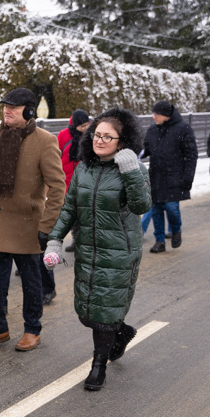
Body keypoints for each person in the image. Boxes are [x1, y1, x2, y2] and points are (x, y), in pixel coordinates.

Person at [43, 107, 152, 390]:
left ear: (122, 141)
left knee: (104, 312)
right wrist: (55, 238)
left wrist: (130, 172)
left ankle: (98, 366)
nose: (99, 141)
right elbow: (69, 208)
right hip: (89, 249)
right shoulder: (84, 168)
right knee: (89, 310)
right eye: (96, 135)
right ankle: (121, 331)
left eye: (108, 137)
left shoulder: (134, 169)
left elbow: (142, 206)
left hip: (119, 251)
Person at [0, 88, 66, 352]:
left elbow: (58, 187)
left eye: (13, 107)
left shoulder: (45, 141)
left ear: (29, 110)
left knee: (31, 282)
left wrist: (47, 227)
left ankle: (32, 329)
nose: (6, 110)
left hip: (28, 227)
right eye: (5, 106)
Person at [142, 100, 198, 253]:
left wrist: (188, 177)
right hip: (155, 177)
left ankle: (176, 231)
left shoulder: (183, 129)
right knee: (156, 210)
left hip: (175, 177)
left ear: (166, 115)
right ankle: (159, 241)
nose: (153, 117)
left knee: (171, 208)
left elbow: (191, 155)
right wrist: (136, 153)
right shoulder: (152, 130)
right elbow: (145, 149)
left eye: (156, 114)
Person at [56, 110, 92, 252]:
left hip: (86, 180)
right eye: (82, 126)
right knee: (73, 215)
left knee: (86, 214)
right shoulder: (63, 135)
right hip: (67, 181)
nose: (85, 128)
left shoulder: (90, 136)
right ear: (75, 125)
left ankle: (86, 242)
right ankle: (77, 240)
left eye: (87, 125)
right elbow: (56, 155)